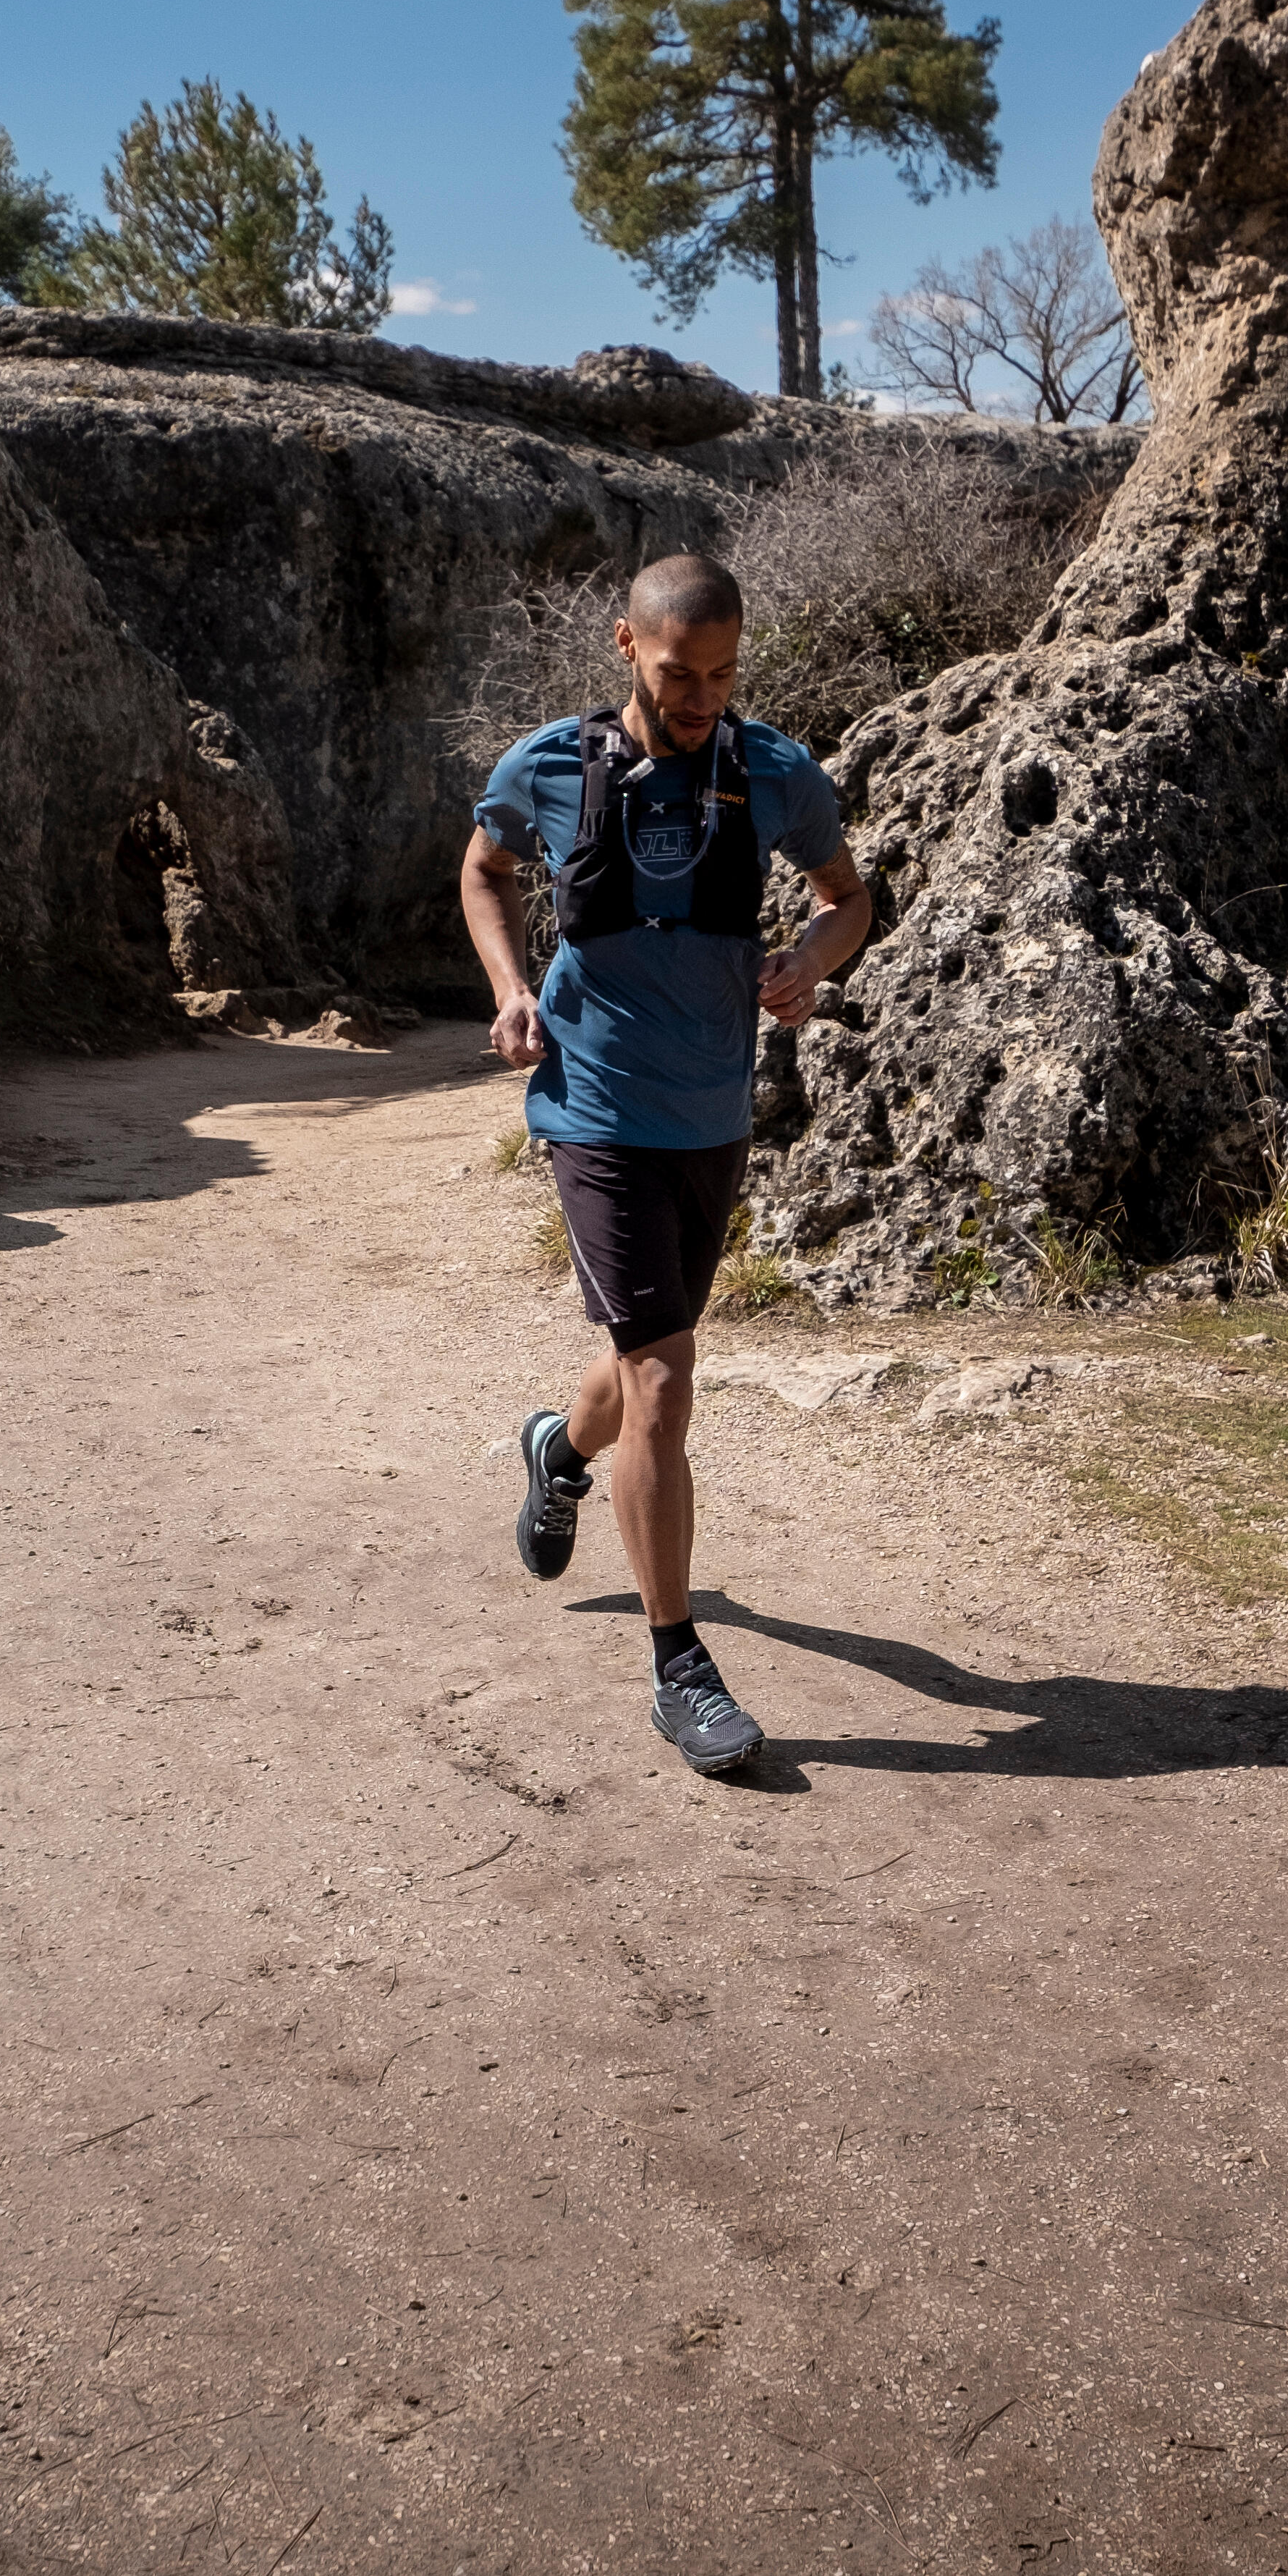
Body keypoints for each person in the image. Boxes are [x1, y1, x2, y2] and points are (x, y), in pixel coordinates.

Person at [461, 549, 870, 1777]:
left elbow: (849, 897)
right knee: (667, 1377)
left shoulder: (775, 772)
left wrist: (815, 957)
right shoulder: (548, 763)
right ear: (626, 647)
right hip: (591, 1107)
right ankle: (679, 1666)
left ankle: (556, 1451)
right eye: (683, 675)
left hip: (713, 1112)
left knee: (643, 1363)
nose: (703, 700)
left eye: (725, 674)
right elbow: (484, 867)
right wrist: (511, 987)